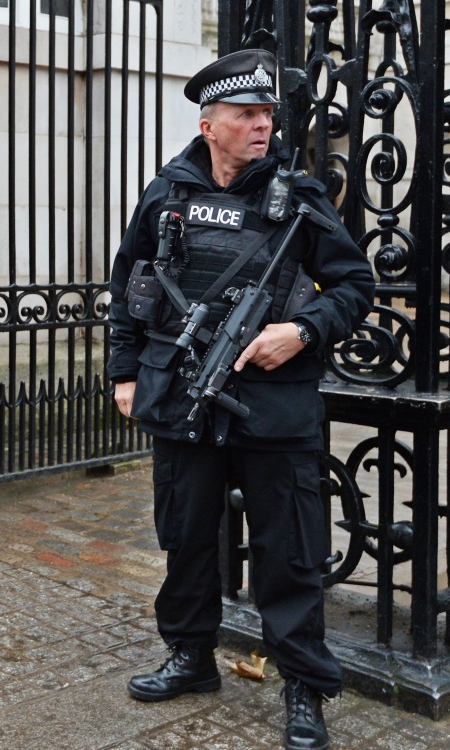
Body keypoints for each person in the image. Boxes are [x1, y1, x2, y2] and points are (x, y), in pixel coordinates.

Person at [106, 49, 375, 750]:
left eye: (267, 115)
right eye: (245, 115)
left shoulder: (300, 195)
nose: (261, 126)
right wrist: (123, 373)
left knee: (288, 551)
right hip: (180, 394)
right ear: (210, 123)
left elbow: (354, 287)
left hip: (274, 405)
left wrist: (301, 329)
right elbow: (127, 286)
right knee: (187, 534)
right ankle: (191, 657)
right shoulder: (166, 191)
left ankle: (304, 688)